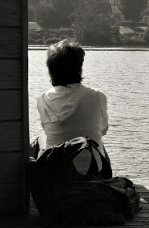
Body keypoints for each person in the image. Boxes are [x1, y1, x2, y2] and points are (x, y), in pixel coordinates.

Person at [32, 39, 109, 171]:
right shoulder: (97, 96)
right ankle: (103, 180)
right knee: (96, 144)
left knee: (38, 140)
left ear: (51, 70)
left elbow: (48, 130)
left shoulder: (42, 99)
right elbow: (103, 130)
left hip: (56, 171)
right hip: (93, 170)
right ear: (79, 68)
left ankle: (36, 185)